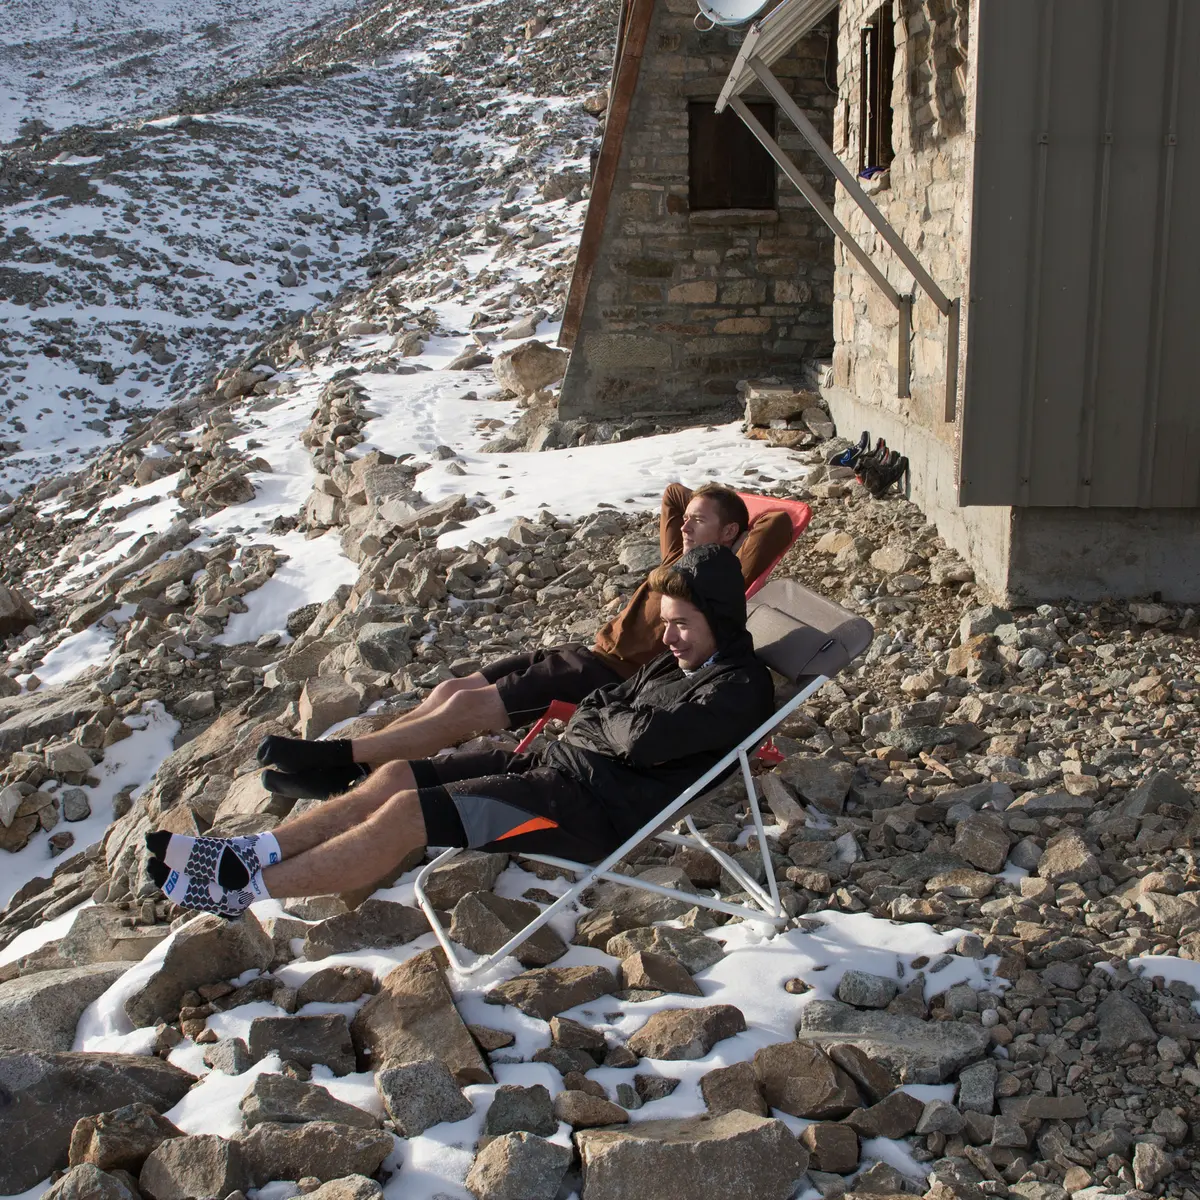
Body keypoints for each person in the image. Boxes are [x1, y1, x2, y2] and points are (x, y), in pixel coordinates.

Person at [145, 544, 775, 917]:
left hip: (588, 813)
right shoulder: (680, 657)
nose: (667, 636)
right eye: (664, 622)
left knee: (405, 818)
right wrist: (612, 718)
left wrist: (610, 720)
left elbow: (640, 739)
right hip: (557, 769)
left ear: (719, 616)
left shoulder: (739, 688)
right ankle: (253, 850)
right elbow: (611, 705)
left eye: (681, 623)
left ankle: (242, 890)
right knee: (394, 775)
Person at [256, 482, 792, 799]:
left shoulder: (721, 578)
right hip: (583, 652)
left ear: (728, 536)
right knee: (449, 692)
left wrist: (731, 527)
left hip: (607, 675)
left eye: (699, 523)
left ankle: (340, 762)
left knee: (464, 709)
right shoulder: (679, 560)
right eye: (687, 522)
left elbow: (775, 526)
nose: (683, 527)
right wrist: (701, 512)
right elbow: (674, 495)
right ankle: (352, 768)